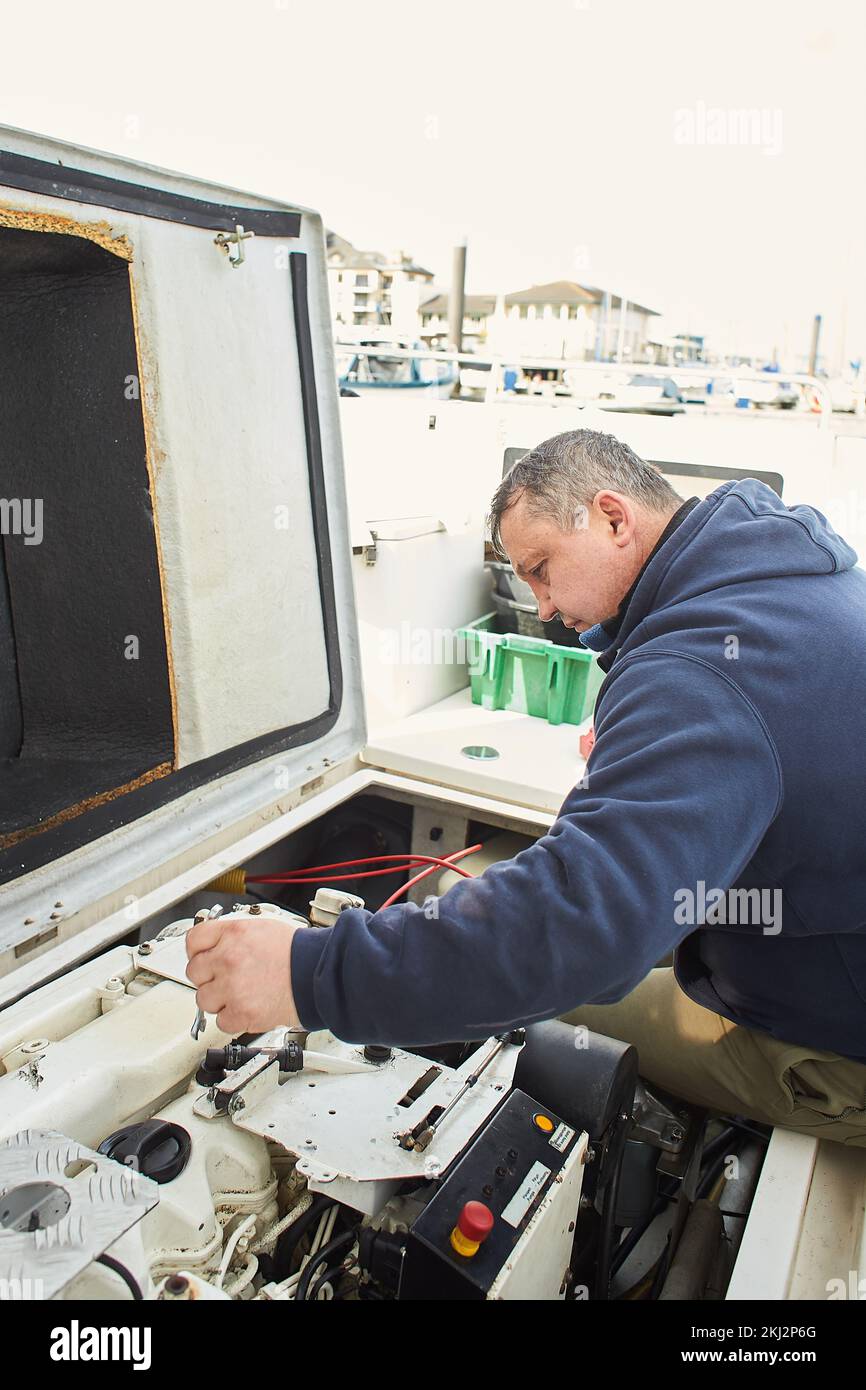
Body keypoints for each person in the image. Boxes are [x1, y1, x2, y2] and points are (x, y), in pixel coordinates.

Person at [186, 428, 866, 1145]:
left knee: (542, 1003)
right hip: (808, 939)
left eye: (542, 569)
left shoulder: (699, 671)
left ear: (613, 517)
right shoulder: (774, 571)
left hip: (831, 1043)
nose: (539, 606)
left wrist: (309, 976)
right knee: (476, 906)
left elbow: (579, 928)